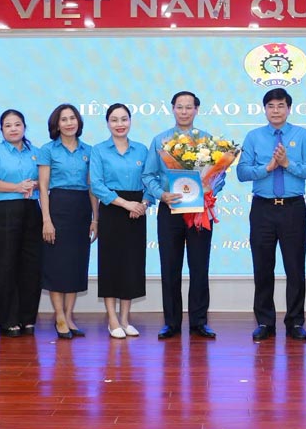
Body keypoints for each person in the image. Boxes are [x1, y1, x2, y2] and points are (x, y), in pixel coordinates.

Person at [236, 88, 306, 341]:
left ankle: (295, 322)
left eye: (281, 105)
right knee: (263, 267)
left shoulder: (302, 136)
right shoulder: (253, 137)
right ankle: (264, 322)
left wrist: (287, 164)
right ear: (265, 109)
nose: (276, 110)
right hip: (262, 208)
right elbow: (242, 172)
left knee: (295, 267)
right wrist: (268, 167)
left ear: (289, 108)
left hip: (293, 208)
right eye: (271, 106)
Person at [143, 91, 222, 339]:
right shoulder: (160, 140)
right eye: (180, 107)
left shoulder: (207, 141)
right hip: (170, 210)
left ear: (197, 110)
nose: (184, 111)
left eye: (189, 107)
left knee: (200, 267)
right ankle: (172, 323)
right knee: (170, 267)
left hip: (199, 211)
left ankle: (199, 322)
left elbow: (220, 175)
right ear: (172, 109)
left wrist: (210, 188)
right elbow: (148, 175)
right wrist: (161, 194)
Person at [90, 103, 151, 339]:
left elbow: (150, 180)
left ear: (130, 121)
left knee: (132, 264)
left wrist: (143, 204)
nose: (119, 124)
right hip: (113, 209)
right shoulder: (99, 150)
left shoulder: (141, 149)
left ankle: (125, 319)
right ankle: (112, 318)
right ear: (107, 123)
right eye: (114, 120)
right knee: (111, 264)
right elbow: (96, 185)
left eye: (124, 119)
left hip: (138, 211)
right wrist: (126, 205)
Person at [38, 104, 98, 339]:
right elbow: (43, 186)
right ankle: (59, 316)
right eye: (64, 119)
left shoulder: (89, 151)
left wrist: (96, 219)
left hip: (81, 208)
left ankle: (69, 316)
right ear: (57, 124)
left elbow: (92, 186)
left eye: (73, 118)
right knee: (56, 265)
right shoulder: (47, 150)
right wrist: (46, 219)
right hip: (58, 206)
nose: (69, 123)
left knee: (75, 265)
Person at [0, 109, 42, 338]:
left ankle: (28, 319)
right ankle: (8, 321)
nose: (13, 128)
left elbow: (45, 180)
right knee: (5, 266)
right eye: (8, 125)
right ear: (1, 130)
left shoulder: (35, 153)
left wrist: (33, 184)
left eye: (17, 124)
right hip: (4, 212)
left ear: (24, 127)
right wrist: (17, 187)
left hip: (31, 211)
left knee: (30, 266)